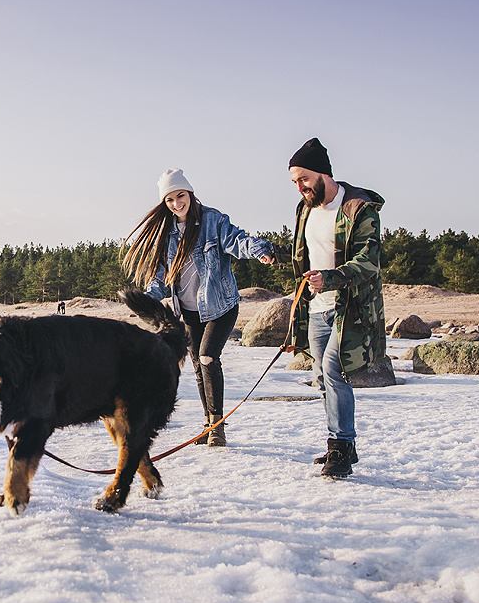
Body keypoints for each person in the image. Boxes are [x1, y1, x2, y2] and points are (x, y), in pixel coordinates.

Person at [123, 168, 275, 446]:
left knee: (207, 357)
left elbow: (237, 241)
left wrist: (259, 249)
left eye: (180, 195)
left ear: (189, 193)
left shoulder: (212, 220)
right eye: (169, 200)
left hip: (220, 306)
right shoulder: (165, 233)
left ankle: (217, 426)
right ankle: (208, 423)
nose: (176, 203)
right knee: (196, 363)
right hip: (189, 311)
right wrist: (147, 299)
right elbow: (160, 278)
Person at [288, 138, 385, 478]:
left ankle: (341, 446)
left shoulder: (358, 208)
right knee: (321, 378)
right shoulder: (305, 209)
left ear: (322, 173)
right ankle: (339, 443)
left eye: (303, 179)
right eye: (294, 182)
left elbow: (368, 262)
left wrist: (330, 278)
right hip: (316, 310)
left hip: (350, 308)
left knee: (334, 371)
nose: (299, 187)